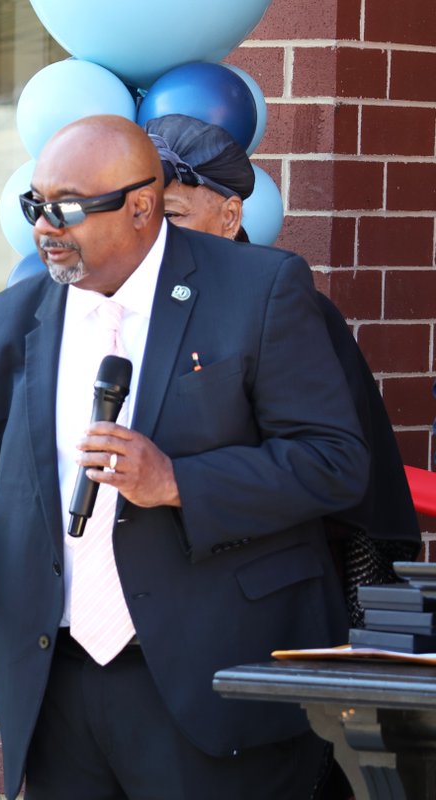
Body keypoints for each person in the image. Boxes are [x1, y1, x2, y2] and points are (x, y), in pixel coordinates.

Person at [0, 115, 369, 800]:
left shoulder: (261, 291)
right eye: (34, 204)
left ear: (140, 206)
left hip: (209, 680)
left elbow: (333, 461)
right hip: (57, 684)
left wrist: (178, 482)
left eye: (66, 207)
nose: (44, 225)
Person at [145, 113, 420, 626]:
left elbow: (344, 480)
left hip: (261, 602)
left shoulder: (292, 310)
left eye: (174, 215)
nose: (155, 235)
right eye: (142, 214)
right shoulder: (118, 310)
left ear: (230, 217)